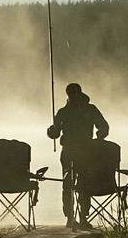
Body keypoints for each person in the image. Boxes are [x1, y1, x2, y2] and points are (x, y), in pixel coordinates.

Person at [47, 82, 109, 227]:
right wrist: (52, 131)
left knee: (75, 184)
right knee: (77, 184)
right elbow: (103, 127)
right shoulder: (86, 109)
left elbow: (103, 127)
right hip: (78, 151)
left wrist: (51, 131)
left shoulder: (66, 111)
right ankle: (75, 218)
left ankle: (78, 218)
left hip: (77, 151)